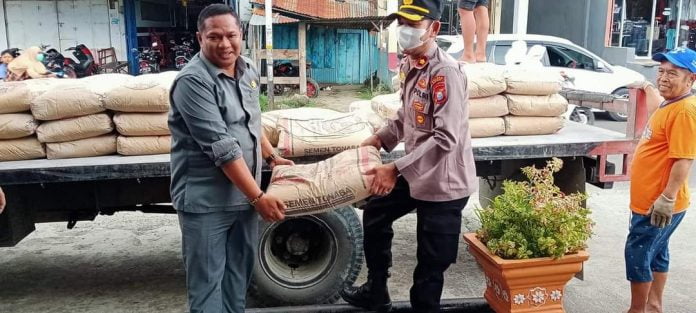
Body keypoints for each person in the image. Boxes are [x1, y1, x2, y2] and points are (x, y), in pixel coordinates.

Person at [340, 1, 477, 312]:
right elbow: (406, 117)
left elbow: (446, 138)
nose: (404, 31)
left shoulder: (446, 74)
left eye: (413, 24)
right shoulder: (411, 66)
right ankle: (377, 291)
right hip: (417, 172)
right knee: (376, 212)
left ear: (434, 29)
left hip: (444, 184)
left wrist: (395, 169)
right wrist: (378, 138)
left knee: (430, 265)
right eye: (401, 23)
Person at [168, 4, 293, 313]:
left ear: (242, 34)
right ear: (200, 38)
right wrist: (259, 196)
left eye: (231, 35)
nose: (224, 44)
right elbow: (221, 148)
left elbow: (251, 120)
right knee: (208, 286)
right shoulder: (192, 82)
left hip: (243, 201)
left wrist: (271, 155)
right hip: (206, 203)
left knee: (238, 280)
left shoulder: (248, 69)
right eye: (214, 37)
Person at [624, 47, 696, 313]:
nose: (664, 78)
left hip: (657, 204)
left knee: (638, 254)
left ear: (691, 79)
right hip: (650, 201)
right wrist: (646, 87)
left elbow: (684, 159)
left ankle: (637, 310)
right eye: (661, 71)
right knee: (657, 252)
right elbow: (657, 111)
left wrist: (666, 198)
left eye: (672, 73)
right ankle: (654, 306)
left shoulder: (686, 112)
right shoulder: (672, 103)